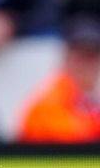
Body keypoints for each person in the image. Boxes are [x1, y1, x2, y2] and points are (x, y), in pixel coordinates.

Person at [18, 15, 100, 143]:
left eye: (92, 56)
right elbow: (68, 134)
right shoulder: (52, 96)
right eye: (80, 56)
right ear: (66, 57)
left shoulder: (88, 100)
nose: (86, 64)